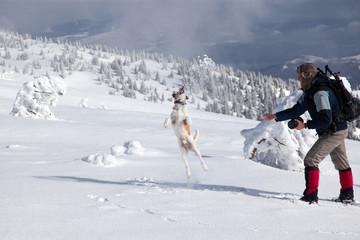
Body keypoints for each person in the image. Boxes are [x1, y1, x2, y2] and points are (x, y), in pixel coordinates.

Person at [262, 63, 354, 204]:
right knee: (341, 162)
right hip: (336, 129)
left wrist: (304, 125)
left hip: (334, 131)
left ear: (307, 76)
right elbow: (297, 110)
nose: (298, 78)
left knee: (311, 160)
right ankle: (347, 196)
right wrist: (275, 116)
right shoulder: (311, 91)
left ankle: (310, 197)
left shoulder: (320, 93)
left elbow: (325, 118)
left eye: (300, 75)